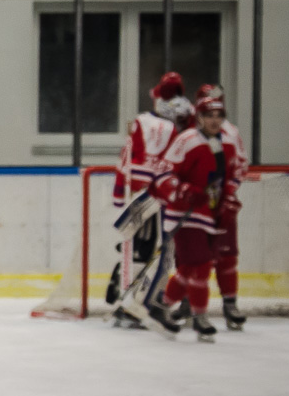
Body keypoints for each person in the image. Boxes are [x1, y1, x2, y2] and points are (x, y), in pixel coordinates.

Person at [145, 86, 246, 341]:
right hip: (185, 214)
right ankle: (200, 318)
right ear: (199, 117)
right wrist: (185, 191)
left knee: (191, 268)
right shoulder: (187, 140)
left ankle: (162, 306)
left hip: (210, 214)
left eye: (219, 115)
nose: (214, 120)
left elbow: (232, 174)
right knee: (200, 266)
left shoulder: (227, 142)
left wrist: (228, 198)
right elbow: (164, 174)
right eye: (209, 115)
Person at [105, 71, 195, 327]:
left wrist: (120, 194)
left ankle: (132, 300)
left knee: (149, 250)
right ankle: (138, 300)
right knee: (161, 251)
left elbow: (127, 160)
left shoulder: (147, 122)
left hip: (148, 195)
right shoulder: (183, 123)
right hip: (163, 195)